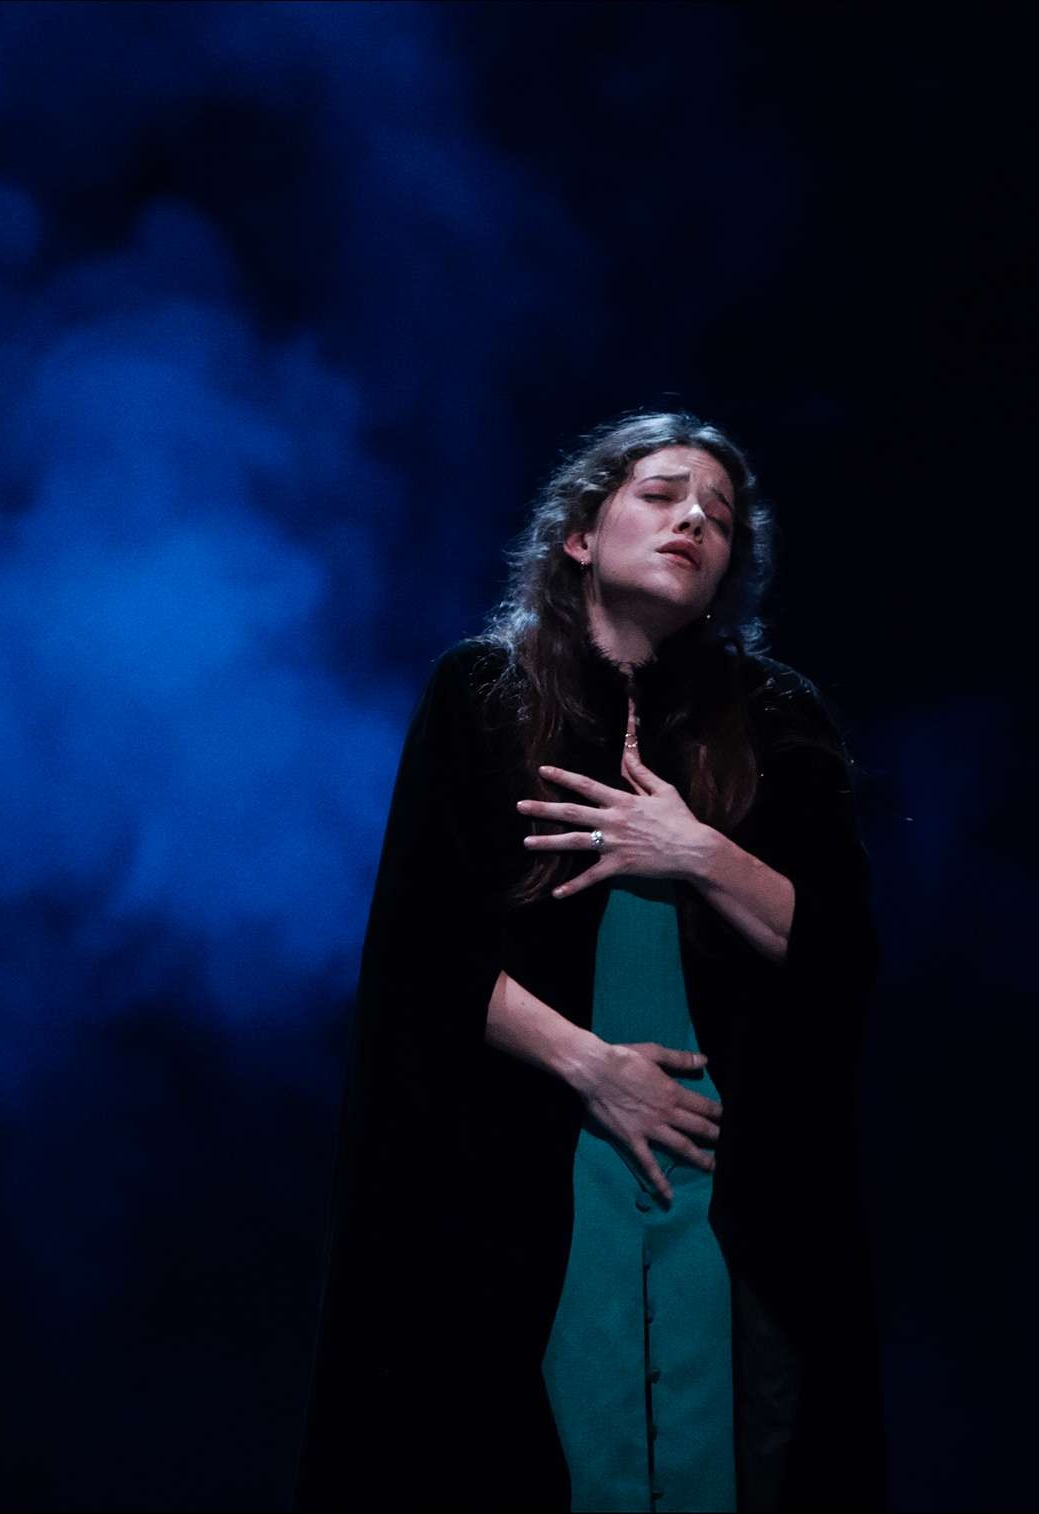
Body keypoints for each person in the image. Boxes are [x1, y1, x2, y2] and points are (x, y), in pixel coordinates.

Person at [294, 412, 885, 1512]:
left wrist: (693, 849)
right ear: (579, 532)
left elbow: (840, 950)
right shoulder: (484, 694)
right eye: (662, 494)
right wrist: (592, 1067)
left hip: (727, 1178)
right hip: (532, 1161)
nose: (694, 519)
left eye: (720, 515)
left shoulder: (777, 718)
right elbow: (419, 953)